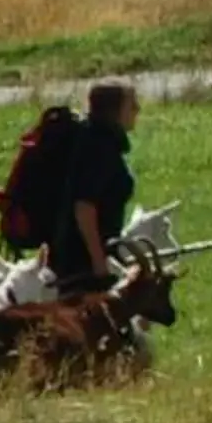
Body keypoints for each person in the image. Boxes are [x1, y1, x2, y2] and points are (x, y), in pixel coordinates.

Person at [49, 80, 140, 292]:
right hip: (82, 264)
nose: (138, 109)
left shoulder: (98, 139)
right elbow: (84, 208)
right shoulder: (99, 147)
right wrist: (99, 263)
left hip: (89, 256)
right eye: (132, 104)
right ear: (115, 110)